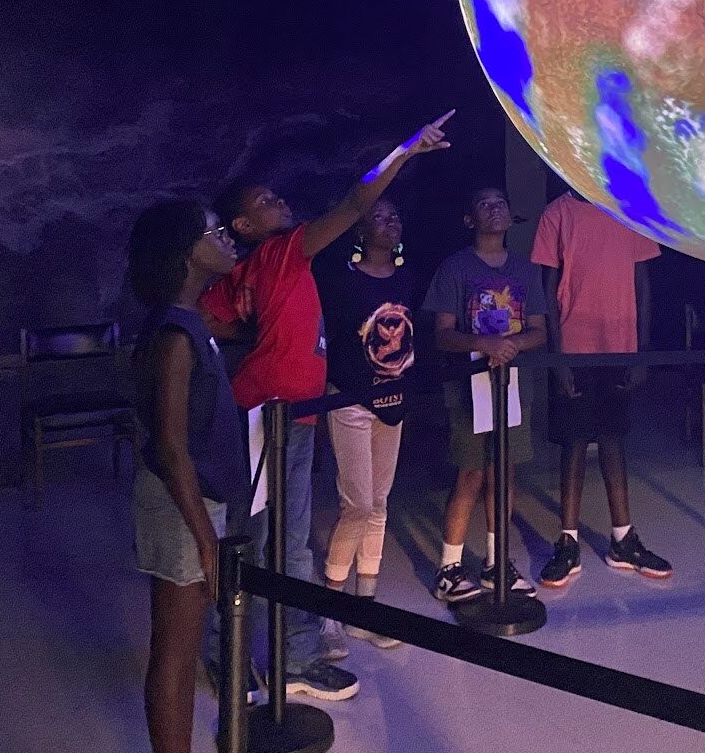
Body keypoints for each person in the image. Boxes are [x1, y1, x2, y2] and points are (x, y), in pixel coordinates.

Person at [201, 111, 453, 702]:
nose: (280, 201)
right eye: (265, 201)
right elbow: (354, 201)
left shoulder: (254, 269)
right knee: (277, 540)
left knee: (259, 536)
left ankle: (252, 652)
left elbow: (215, 318)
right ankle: (283, 658)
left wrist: (253, 342)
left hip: (279, 411)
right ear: (245, 224)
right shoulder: (282, 253)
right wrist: (405, 151)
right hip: (277, 415)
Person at [127, 199, 244, 753]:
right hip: (180, 503)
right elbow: (172, 449)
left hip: (193, 497)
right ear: (187, 252)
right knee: (174, 652)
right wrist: (205, 538)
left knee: (185, 644)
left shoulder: (190, 322)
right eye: (214, 233)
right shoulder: (175, 335)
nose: (226, 238)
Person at [531, 187, 673, 588]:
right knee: (574, 442)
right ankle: (568, 541)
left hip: (619, 345)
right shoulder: (556, 213)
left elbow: (642, 282)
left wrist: (641, 351)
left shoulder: (626, 207)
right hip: (574, 346)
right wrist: (557, 357)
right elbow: (548, 289)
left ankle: (623, 539)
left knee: (613, 438)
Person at [422, 186, 546, 605]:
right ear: (469, 219)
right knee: (471, 473)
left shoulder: (526, 269)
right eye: (484, 204)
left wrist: (511, 345)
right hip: (468, 386)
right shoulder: (455, 267)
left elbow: (538, 329)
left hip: (513, 384)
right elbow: (442, 332)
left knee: (504, 472)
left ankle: (497, 562)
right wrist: (483, 344)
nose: (495, 210)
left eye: (501, 204)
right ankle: (449, 567)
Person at [314, 196, 415, 659]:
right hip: (350, 398)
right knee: (356, 504)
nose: (390, 222)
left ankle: (364, 606)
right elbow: (330, 337)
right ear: (360, 228)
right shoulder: (342, 279)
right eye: (379, 216)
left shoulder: (407, 277)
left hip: (393, 398)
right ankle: (329, 612)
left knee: (379, 503)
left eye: (395, 215)